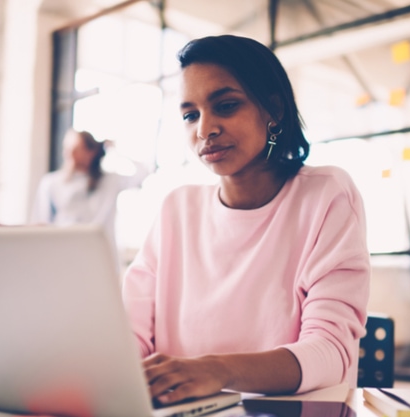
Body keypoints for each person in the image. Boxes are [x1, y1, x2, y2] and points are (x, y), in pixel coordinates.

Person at [122, 34, 371, 405]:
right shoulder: (177, 209)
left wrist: (217, 370)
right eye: (191, 114)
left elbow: (331, 352)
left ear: (274, 110)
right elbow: (129, 332)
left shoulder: (326, 195)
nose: (204, 129)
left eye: (225, 106)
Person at [29, 129, 149, 249]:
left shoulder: (109, 181)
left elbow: (143, 173)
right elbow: (41, 223)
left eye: (76, 149)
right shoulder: (51, 182)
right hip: (63, 251)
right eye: (67, 148)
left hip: (100, 254)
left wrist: (117, 150)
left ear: (91, 152)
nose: (70, 154)